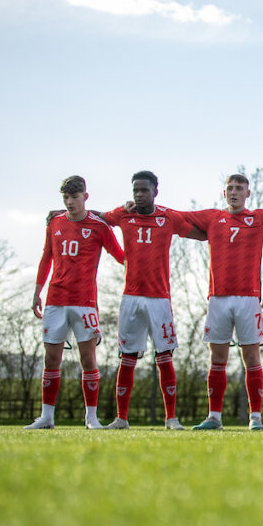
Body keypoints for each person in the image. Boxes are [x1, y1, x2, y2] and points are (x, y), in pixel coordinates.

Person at [183, 174, 263, 431]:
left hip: (248, 299)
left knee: (251, 356)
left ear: (247, 193)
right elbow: (177, 217)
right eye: (229, 188)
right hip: (217, 298)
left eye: (239, 188)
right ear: (224, 193)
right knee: (217, 357)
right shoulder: (212, 217)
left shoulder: (258, 218)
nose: (233, 192)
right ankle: (214, 417)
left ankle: (255, 418)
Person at [102, 171, 205, 430]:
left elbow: (199, 234)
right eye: (135, 190)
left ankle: (171, 419)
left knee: (165, 356)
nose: (138, 194)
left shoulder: (168, 217)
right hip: (131, 298)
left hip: (159, 299)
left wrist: (221, 234)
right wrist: (59, 211)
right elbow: (96, 218)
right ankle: (121, 419)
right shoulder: (123, 214)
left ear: (155, 192)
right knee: (127, 357)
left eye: (144, 190)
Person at [26, 176, 125, 429]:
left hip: (85, 303)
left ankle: (91, 418)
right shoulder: (55, 223)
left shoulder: (99, 226)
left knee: (88, 360)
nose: (70, 202)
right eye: (66, 198)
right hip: (55, 301)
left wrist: (142, 269)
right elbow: (46, 258)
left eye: (74, 197)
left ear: (85, 197)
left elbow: (120, 256)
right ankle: (47, 417)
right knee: (51, 359)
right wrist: (37, 291)